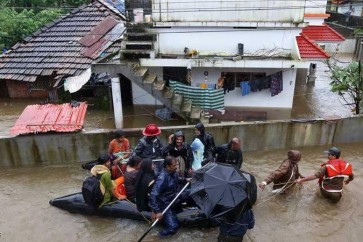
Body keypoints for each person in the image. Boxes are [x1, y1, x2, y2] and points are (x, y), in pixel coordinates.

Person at [149, 156, 191, 237]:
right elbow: (153, 195)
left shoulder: (173, 172)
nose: (176, 167)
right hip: (166, 204)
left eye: (176, 165)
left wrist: (185, 180)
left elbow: (177, 179)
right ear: (167, 166)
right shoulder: (162, 178)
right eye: (174, 165)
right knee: (173, 228)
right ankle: (157, 237)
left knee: (190, 192)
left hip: (174, 197)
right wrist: (157, 211)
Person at [217, 171, 257, 242]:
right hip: (238, 238)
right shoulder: (248, 210)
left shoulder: (225, 204)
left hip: (224, 235)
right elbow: (251, 225)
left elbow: (217, 220)